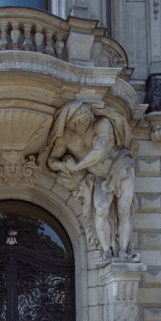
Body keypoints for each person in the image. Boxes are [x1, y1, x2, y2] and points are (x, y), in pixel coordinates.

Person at [43, 100, 137, 259]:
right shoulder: (66, 139)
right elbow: (52, 161)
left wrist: (77, 166)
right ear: (70, 123)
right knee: (101, 210)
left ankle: (122, 252)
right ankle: (106, 252)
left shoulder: (102, 123)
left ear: (89, 116)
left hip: (120, 167)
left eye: (84, 120)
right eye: (77, 123)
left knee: (124, 210)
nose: (82, 126)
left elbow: (99, 152)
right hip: (99, 178)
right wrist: (64, 166)